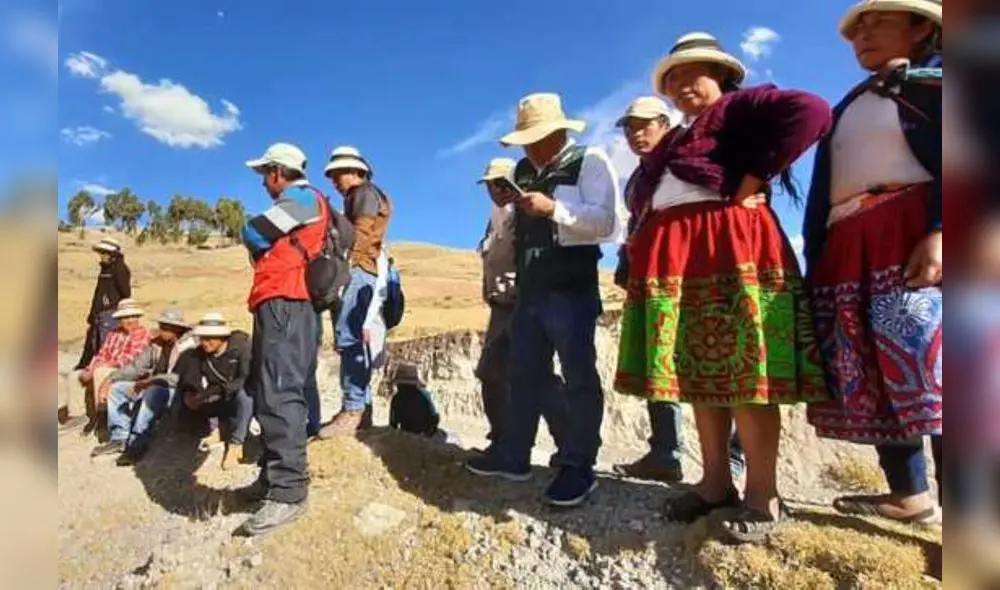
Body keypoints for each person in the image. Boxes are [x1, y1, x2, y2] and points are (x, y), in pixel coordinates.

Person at [613, 33, 832, 543]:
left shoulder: (743, 106)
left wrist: (753, 180)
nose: (684, 85)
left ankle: (763, 497)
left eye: (695, 74)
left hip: (728, 243)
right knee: (696, 369)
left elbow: (813, 110)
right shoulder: (675, 139)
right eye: (674, 78)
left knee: (744, 369)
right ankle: (714, 484)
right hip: (679, 253)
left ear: (723, 75)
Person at [803, 0, 943, 525]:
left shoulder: (940, 86)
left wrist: (941, 230)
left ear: (922, 27)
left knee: (939, 369)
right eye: (856, 27)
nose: (862, 34)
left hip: (911, 230)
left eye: (878, 21)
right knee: (879, 369)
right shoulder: (853, 101)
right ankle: (909, 494)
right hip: (850, 241)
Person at [465, 92, 625, 508]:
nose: (528, 147)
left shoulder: (590, 161)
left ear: (557, 132)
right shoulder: (522, 169)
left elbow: (608, 223)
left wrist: (553, 208)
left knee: (578, 375)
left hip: (570, 286)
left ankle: (578, 464)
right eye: (525, 139)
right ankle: (514, 456)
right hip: (530, 289)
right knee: (524, 373)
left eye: (534, 138)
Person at [610, 96, 746, 484]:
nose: (636, 133)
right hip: (658, 271)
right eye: (628, 127)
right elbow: (640, 222)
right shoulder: (638, 180)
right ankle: (665, 453)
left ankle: (735, 456)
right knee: (661, 357)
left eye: (644, 124)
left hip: (707, 265)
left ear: (664, 122)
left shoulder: (693, 151)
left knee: (722, 355)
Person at [237, 142, 328, 535]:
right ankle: (273, 480)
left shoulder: (302, 198)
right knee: (272, 389)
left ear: (277, 171)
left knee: (279, 391)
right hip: (288, 305)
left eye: (264, 175)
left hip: (286, 302)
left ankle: (288, 493)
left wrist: (254, 236)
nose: (263, 182)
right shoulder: (309, 200)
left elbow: (253, 232)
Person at [475, 157, 565, 454]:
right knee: (493, 373)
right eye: (491, 185)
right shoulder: (495, 218)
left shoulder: (529, 214)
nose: (496, 190)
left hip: (524, 302)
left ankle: (568, 444)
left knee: (536, 373)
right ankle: (503, 439)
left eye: (502, 183)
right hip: (500, 306)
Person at [317, 146, 392, 438]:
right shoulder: (362, 195)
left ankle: (353, 409)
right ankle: (361, 409)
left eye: (339, 174)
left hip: (358, 271)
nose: (334, 181)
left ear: (356, 172)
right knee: (352, 340)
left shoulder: (363, 193)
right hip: (362, 270)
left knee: (349, 339)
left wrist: (344, 270)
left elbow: (361, 234)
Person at [91, 309, 196, 465]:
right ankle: (119, 437)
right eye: (162, 326)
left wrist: (151, 381)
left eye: (167, 327)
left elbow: (179, 378)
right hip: (152, 384)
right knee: (117, 388)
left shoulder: (188, 347)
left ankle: (137, 443)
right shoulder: (156, 345)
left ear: (177, 329)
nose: (162, 330)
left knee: (153, 392)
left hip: (177, 391)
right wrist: (109, 379)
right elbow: (135, 367)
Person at [176, 313, 254, 470]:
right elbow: (192, 377)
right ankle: (217, 429)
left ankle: (236, 444)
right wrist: (194, 394)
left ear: (222, 337)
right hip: (219, 393)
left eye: (209, 338)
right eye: (202, 338)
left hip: (242, 390)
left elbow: (245, 378)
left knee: (244, 397)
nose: (205, 343)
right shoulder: (200, 354)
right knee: (195, 396)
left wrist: (213, 392)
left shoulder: (242, 348)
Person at [67, 299, 151, 435]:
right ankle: (78, 416)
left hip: (127, 371)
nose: (129, 320)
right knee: (75, 376)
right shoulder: (114, 333)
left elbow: (131, 360)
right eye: (125, 317)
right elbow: (101, 354)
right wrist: (90, 369)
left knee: (101, 372)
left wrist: (103, 366)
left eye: (132, 316)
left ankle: (103, 417)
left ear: (138, 317)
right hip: (107, 367)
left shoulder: (142, 334)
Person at [75, 237, 131, 371]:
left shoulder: (120, 269)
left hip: (110, 314)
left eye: (105, 252)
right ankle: (87, 367)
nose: (102, 256)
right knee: (94, 344)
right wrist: (92, 315)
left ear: (113, 254)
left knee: (106, 346)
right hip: (100, 314)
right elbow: (98, 293)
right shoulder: (105, 269)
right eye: (101, 252)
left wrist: (112, 304)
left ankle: (103, 372)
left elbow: (126, 293)